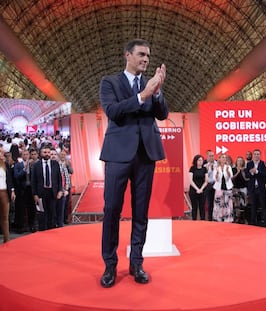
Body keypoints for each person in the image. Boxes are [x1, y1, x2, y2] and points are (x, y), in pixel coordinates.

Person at [99, 38, 168, 288]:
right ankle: (110, 264)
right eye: (141, 54)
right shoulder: (110, 82)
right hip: (118, 154)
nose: (146, 60)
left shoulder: (151, 85)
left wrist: (157, 92)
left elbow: (162, 114)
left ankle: (136, 263)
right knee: (111, 210)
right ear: (127, 55)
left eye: (148, 56)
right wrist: (143, 95)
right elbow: (113, 111)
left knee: (141, 212)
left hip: (145, 156)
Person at [31, 144, 63, 230]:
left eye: (48, 152)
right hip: (41, 193)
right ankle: (43, 231)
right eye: (45, 152)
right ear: (40, 153)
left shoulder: (55, 164)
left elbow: (59, 179)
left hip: (53, 192)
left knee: (52, 213)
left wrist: (60, 190)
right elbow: (33, 181)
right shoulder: (36, 165)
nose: (47, 154)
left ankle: (51, 230)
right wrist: (35, 194)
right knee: (42, 213)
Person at [245, 149, 266, 226]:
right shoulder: (249, 164)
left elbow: (265, 174)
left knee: (263, 205)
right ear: (253, 155)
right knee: (253, 206)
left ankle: (265, 222)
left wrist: (257, 172)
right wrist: (252, 173)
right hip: (252, 188)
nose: (256, 155)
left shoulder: (263, 164)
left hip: (261, 187)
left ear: (260, 155)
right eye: (255, 154)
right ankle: (253, 222)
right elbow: (247, 175)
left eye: (258, 154)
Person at [212, 154, 234, 222]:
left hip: (227, 187)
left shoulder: (228, 167)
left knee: (227, 204)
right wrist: (217, 174)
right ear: (219, 159)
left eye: (225, 157)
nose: (224, 159)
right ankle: (218, 217)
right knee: (219, 203)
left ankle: (227, 218)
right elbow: (215, 179)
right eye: (222, 157)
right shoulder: (216, 167)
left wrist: (227, 171)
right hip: (219, 188)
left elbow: (230, 177)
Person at [188, 155, 208, 220]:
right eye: (199, 160)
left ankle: (203, 221)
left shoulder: (204, 169)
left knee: (202, 207)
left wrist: (201, 189)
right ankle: (194, 220)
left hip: (202, 190)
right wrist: (197, 189)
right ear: (196, 161)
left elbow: (206, 181)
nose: (200, 162)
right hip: (193, 190)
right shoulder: (192, 168)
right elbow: (190, 180)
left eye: (201, 160)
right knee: (194, 207)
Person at [231, 156, 249, 223]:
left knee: (243, 203)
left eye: (241, 161)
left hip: (243, 188)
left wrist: (242, 172)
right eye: (238, 160)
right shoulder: (233, 169)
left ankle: (243, 217)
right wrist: (238, 172)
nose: (240, 162)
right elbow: (232, 178)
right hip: (235, 188)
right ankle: (237, 217)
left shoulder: (245, 169)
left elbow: (246, 179)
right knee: (236, 204)